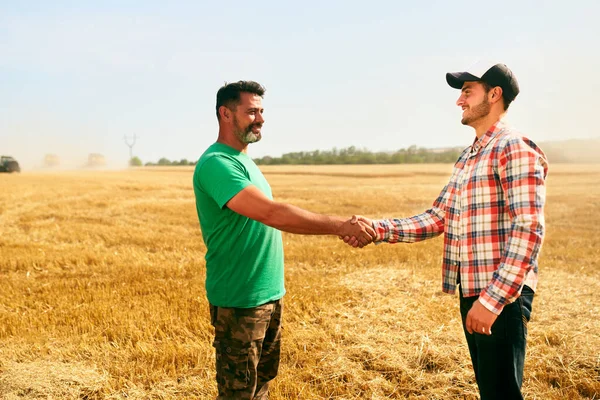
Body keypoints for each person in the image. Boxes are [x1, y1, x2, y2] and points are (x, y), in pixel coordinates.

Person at [344, 62, 548, 400]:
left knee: (501, 394)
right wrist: (377, 229)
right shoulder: (470, 156)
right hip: (473, 291)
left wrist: (494, 300)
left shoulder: (513, 147)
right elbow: (438, 216)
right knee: (491, 391)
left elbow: (528, 228)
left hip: (500, 296)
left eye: (468, 92)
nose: (459, 101)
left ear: (494, 95)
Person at [193, 80, 374, 400]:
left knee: (261, 384)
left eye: (261, 111)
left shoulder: (243, 161)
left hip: (268, 293)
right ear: (225, 114)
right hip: (239, 299)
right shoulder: (217, 164)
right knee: (238, 393)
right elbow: (272, 214)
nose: (260, 118)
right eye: (251, 111)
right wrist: (340, 225)